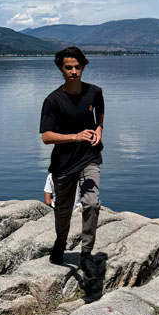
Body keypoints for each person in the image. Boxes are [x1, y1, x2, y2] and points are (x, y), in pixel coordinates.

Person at [40, 46, 104, 271]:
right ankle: (60, 241)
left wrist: (99, 130)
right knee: (63, 210)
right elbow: (46, 137)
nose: (74, 71)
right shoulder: (53, 101)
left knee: (92, 203)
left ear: (84, 66)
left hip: (89, 157)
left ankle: (86, 253)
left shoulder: (94, 92)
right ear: (61, 68)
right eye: (69, 67)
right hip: (64, 163)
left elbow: (100, 113)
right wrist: (75, 136)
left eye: (78, 67)